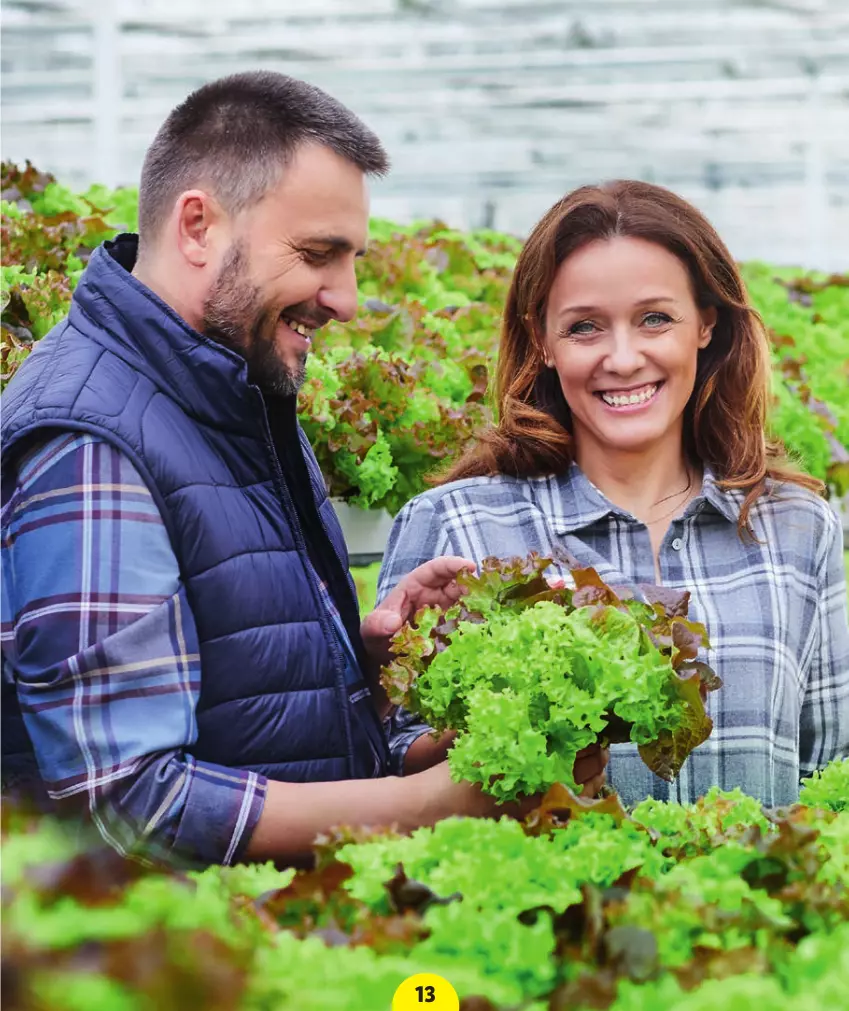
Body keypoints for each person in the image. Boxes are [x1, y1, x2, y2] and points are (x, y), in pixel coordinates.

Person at [0, 72, 607, 868]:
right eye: (319, 254)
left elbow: (219, 692)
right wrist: (425, 806)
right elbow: (131, 803)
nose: (347, 298)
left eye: (352, 258)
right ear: (197, 226)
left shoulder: (226, 390)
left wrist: (363, 657)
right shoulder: (90, 440)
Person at [377, 179, 849, 809]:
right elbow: (390, 763)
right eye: (585, 328)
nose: (623, 359)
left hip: (743, 907)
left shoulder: (798, 528)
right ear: (542, 340)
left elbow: (830, 776)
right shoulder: (456, 524)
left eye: (655, 318)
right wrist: (524, 714)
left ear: (706, 323)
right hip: (557, 908)